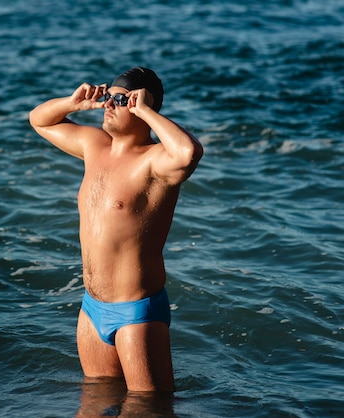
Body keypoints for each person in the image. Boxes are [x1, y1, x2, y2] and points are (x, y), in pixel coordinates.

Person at [29, 67, 203, 392]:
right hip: (92, 309)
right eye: (108, 96)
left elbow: (189, 152)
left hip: (136, 313)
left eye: (119, 99)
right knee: (95, 402)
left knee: (148, 411)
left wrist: (145, 111)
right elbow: (39, 120)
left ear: (141, 105)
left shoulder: (155, 161)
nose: (108, 104)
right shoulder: (94, 145)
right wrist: (72, 103)